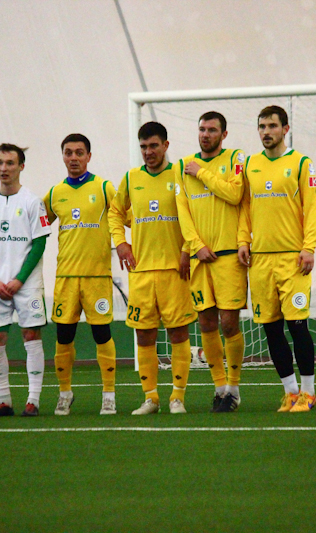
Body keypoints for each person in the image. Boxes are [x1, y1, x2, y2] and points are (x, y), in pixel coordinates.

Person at [108, 122, 196, 415]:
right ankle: (151, 398)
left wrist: (187, 250)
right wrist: (121, 243)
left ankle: (177, 397)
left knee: (178, 334)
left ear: (166, 145)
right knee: (144, 335)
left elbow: (194, 215)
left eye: (154, 146)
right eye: (143, 147)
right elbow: (114, 212)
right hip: (142, 272)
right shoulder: (131, 178)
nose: (148, 152)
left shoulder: (179, 174)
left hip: (175, 270)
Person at [238, 106, 316, 413]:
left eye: (272, 126)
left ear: (285, 129)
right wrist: (243, 241)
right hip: (260, 261)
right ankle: (290, 393)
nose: (266, 132)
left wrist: (309, 247)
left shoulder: (301, 163)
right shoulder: (251, 164)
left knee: (298, 326)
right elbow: (244, 208)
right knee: (271, 329)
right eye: (262, 126)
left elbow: (313, 207)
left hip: (292, 259)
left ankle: (309, 393)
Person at [42, 134, 119, 416]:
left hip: (97, 277)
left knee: (102, 334)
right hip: (66, 278)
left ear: (89, 156)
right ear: (63, 156)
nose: (73, 158)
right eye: (68, 152)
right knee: (63, 337)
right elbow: (37, 225)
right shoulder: (54, 194)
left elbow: (123, 216)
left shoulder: (104, 188)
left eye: (79, 152)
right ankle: (65, 393)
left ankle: (108, 394)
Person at [0, 144, 51, 417]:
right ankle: (4, 401)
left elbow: (39, 244)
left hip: (27, 284)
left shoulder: (33, 202)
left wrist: (19, 279)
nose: (3, 168)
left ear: (21, 166)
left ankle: (33, 400)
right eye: (0, 163)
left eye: (9, 163)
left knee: (31, 336)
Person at [176, 111, 247, 412]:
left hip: (229, 255)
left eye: (212, 130)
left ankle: (234, 388)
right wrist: (195, 246)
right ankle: (219, 389)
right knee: (206, 323)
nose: (205, 135)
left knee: (229, 323)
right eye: (202, 129)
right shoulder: (182, 165)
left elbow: (235, 194)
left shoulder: (236, 158)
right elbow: (182, 211)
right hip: (200, 256)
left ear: (224, 134)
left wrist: (202, 173)